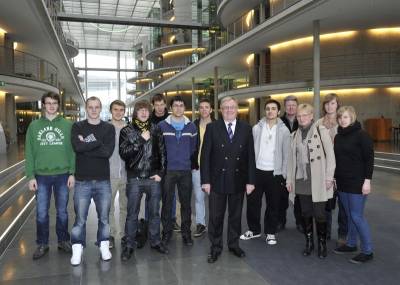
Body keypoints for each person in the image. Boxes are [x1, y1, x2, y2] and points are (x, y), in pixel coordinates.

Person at [201, 96, 256, 263]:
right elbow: (205, 157)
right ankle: (215, 247)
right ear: (220, 110)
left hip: (238, 180)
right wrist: (205, 181)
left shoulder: (246, 128)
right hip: (217, 180)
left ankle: (234, 245)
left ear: (237, 109)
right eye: (225, 107)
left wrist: (250, 181)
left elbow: (250, 157)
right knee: (215, 217)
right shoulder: (212, 128)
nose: (229, 110)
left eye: (232, 107)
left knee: (235, 216)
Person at [25, 92, 75, 260]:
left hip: (62, 174)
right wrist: (30, 176)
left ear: (58, 105)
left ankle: (63, 240)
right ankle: (42, 243)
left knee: (62, 212)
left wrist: (72, 173)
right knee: (41, 212)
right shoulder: (34, 126)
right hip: (41, 176)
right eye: (48, 103)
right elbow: (29, 153)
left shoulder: (68, 125)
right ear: (43, 105)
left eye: (54, 103)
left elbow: (72, 151)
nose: (52, 106)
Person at [119, 100, 168, 261]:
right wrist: (140, 139)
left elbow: (162, 152)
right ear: (135, 112)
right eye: (141, 110)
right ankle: (129, 245)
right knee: (132, 214)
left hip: (153, 178)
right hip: (135, 178)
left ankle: (155, 241)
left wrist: (161, 172)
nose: (144, 112)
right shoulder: (127, 131)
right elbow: (124, 153)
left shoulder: (156, 129)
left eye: (147, 110)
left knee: (154, 213)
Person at [286, 103, 335, 259]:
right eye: (299, 116)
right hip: (301, 181)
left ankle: (322, 244)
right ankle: (309, 243)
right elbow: (291, 161)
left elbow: (331, 157)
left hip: (319, 180)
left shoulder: (321, 131)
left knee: (320, 214)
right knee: (305, 213)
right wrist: (289, 179)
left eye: (305, 115)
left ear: (311, 116)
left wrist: (329, 177)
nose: (301, 118)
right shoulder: (294, 135)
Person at [70, 96, 115, 266]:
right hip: (82, 181)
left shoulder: (108, 128)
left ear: (100, 108)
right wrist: (97, 143)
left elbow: (107, 152)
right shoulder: (77, 126)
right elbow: (77, 147)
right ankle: (77, 248)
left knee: (104, 218)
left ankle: (103, 246)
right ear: (86, 108)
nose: (94, 110)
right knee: (80, 219)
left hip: (103, 180)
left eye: (97, 107)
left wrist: (87, 143)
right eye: (91, 107)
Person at [240, 99, 290, 245]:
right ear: (264, 111)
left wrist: (284, 175)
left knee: (273, 204)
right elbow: (250, 151)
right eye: (267, 108)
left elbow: (286, 154)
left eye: (273, 109)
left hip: (275, 173)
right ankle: (254, 230)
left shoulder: (284, 130)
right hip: (257, 171)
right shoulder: (256, 128)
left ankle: (270, 232)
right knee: (252, 203)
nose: (270, 111)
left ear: (278, 112)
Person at [333, 106, 374, 264]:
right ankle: (351, 244)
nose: (342, 120)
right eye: (340, 117)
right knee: (349, 215)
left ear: (353, 118)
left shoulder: (362, 135)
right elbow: (338, 160)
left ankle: (368, 250)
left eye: (345, 117)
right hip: (342, 182)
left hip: (358, 183)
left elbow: (369, 159)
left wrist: (367, 181)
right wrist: (336, 178)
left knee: (357, 216)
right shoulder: (338, 136)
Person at [159, 96, 197, 246]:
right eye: (176, 106)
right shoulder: (162, 126)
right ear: (171, 108)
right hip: (168, 171)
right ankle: (166, 233)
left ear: (184, 108)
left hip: (185, 170)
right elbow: (158, 148)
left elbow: (193, 147)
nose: (179, 108)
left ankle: (186, 234)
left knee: (186, 204)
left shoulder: (191, 126)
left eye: (181, 105)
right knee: (167, 203)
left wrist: (185, 159)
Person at [316, 93, 348, 244]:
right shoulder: (318, 123)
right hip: (324, 168)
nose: (330, 106)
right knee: (326, 202)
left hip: (341, 169)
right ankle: (326, 232)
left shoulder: (343, 121)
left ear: (338, 105)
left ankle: (342, 234)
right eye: (327, 103)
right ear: (324, 106)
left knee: (343, 203)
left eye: (333, 103)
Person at [191, 98, 214, 237]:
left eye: (207, 107)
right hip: (198, 168)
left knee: (215, 199)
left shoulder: (218, 125)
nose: (204, 109)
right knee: (199, 198)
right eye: (201, 107)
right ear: (199, 110)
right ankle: (201, 224)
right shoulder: (193, 125)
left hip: (214, 169)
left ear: (211, 109)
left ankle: (214, 224)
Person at [280, 95, 302, 232]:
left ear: (297, 106)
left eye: (293, 105)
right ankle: (280, 222)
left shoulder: (303, 120)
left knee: (299, 196)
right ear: (284, 107)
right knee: (281, 197)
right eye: (288, 105)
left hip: (299, 164)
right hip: (283, 163)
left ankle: (300, 222)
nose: (291, 107)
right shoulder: (279, 122)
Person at [108, 100, 128, 249]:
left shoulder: (129, 128)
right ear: (111, 111)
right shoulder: (105, 128)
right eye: (116, 109)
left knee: (125, 206)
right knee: (108, 207)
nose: (118, 112)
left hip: (127, 174)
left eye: (121, 110)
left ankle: (124, 234)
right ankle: (110, 234)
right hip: (110, 174)